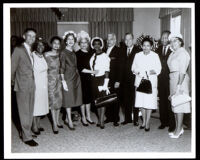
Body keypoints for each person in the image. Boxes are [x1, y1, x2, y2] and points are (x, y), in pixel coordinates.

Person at [11, 28, 38, 147]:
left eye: (34, 36)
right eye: (29, 36)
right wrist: (12, 83)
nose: (32, 38)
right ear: (24, 36)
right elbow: (11, 69)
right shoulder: (18, 49)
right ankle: (27, 138)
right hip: (22, 85)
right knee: (24, 112)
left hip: (31, 85)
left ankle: (26, 132)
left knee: (30, 110)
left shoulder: (30, 50)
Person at [132, 37, 161, 131]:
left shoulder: (155, 56)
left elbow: (158, 69)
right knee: (141, 103)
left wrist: (147, 72)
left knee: (148, 103)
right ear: (141, 46)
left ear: (151, 47)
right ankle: (143, 121)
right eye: (144, 45)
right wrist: (139, 72)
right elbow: (133, 68)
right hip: (139, 81)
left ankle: (148, 122)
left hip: (150, 82)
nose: (146, 47)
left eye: (148, 46)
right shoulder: (137, 55)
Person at [167, 33, 191, 138]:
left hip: (180, 81)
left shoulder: (183, 53)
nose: (173, 43)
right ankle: (178, 128)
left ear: (180, 41)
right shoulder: (173, 53)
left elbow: (182, 71)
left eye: (175, 40)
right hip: (173, 79)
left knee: (180, 106)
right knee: (175, 106)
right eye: (171, 41)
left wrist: (178, 86)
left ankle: (179, 129)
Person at [60, 31, 83, 131]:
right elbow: (61, 67)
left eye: (72, 39)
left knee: (74, 98)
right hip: (67, 78)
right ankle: (69, 120)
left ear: (74, 41)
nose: (70, 41)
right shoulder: (63, 52)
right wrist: (63, 81)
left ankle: (66, 118)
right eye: (68, 39)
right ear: (65, 41)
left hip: (75, 77)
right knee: (68, 99)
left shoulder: (73, 52)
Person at [119, 33, 141, 126]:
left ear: (133, 39)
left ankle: (135, 119)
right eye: (126, 39)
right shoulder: (122, 50)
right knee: (126, 101)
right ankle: (127, 119)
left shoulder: (138, 51)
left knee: (135, 100)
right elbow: (120, 67)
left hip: (135, 80)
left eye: (129, 39)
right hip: (124, 81)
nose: (128, 41)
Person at [156, 30, 175, 132]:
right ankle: (163, 122)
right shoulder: (157, 49)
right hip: (160, 80)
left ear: (169, 39)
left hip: (170, 80)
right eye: (162, 37)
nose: (164, 39)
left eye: (166, 38)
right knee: (162, 101)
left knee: (170, 102)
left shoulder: (173, 50)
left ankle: (172, 124)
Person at [89, 37, 111, 129]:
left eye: (98, 43)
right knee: (97, 101)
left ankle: (102, 121)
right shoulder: (93, 56)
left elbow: (107, 70)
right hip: (94, 80)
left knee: (103, 101)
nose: (97, 45)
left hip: (102, 80)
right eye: (95, 44)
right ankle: (99, 119)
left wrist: (106, 84)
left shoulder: (105, 56)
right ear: (92, 45)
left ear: (101, 45)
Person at [44, 36, 63, 134]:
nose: (56, 45)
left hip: (59, 79)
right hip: (50, 79)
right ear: (51, 44)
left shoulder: (60, 54)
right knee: (52, 101)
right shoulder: (46, 54)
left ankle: (57, 120)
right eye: (54, 43)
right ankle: (54, 124)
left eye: (58, 43)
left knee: (59, 100)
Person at [76, 31, 95, 126]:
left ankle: (88, 116)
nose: (84, 45)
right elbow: (81, 68)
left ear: (88, 43)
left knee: (88, 98)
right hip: (81, 79)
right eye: (82, 43)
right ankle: (83, 117)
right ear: (79, 44)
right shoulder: (77, 54)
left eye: (85, 43)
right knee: (83, 99)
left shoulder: (90, 53)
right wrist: (93, 72)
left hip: (89, 79)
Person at [31, 38, 49, 135]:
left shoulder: (43, 56)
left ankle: (38, 124)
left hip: (43, 84)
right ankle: (34, 125)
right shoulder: (32, 55)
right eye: (38, 45)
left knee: (41, 104)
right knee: (35, 105)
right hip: (36, 83)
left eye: (42, 45)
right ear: (35, 46)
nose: (40, 47)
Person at [104, 33, 121, 127]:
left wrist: (118, 80)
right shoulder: (104, 50)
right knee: (107, 98)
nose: (108, 41)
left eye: (110, 39)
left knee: (115, 99)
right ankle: (109, 117)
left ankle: (115, 118)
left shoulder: (118, 50)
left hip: (115, 80)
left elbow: (120, 67)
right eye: (107, 39)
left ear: (115, 40)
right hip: (106, 79)